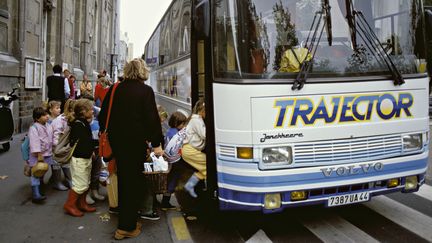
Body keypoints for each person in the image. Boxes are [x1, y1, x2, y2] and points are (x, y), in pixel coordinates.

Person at [99, 58, 163, 240]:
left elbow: (103, 116)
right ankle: (125, 227)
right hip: (135, 143)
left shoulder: (115, 88)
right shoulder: (145, 91)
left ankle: (129, 221)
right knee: (132, 184)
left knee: (126, 180)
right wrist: (157, 143)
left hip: (118, 143)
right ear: (143, 71)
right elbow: (152, 119)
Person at [63, 99, 98, 217]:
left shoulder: (83, 122)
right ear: (83, 111)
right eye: (90, 109)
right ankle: (70, 205)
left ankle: (82, 203)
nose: (93, 111)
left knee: (86, 182)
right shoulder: (78, 124)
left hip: (85, 157)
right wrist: (96, 143)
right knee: (79, 184)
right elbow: (83, 142)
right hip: (79, 159)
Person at [161, 111, 188, 210]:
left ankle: (165, 201)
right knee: (173, 179)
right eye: (182, 123)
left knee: (171, 178)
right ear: (177, 123)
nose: (184, 125)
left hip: (171, 160)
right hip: (175, 160)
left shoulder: (170, 131)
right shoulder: (176, 134)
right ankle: (166, 202)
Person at [28, 107, 54, 203]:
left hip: (47, 153)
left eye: (46, 114)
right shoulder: (34, 128)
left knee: (42, 172)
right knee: (36, 173)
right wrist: (38, 154)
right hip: (38, 155)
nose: (47, 116)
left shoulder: (48, 125)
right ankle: (36, 194)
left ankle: (40, 188)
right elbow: (35, 142)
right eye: (43, 115)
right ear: (37, 118)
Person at [182, 99, 206, 198]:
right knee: (209, 165)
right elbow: (205, 135)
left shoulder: (196, 119)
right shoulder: (196, 120)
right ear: (202, 110)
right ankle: (192, 186)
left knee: (206, 168)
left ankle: (190, 185)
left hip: (189, 150)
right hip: (189, 150)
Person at [52, 99, 75, 189]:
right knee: (56, 162)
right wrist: (56, 146)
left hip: (64, 144)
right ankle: (56, 182)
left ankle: (69, 180)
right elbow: (56, 134)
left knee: (66, 162)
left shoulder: (70, 118)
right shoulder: (60, 120)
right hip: (57, 144)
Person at [47, 100, 68, 191]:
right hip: (51, 145)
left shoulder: (60, 119)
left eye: (59, 108)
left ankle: (55, 179)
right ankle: (56, 182)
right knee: (55, 164)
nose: (59, 110)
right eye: (57, 108)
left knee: (62, 162)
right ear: (50, 110)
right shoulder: (48, 120)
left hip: (59, 143)